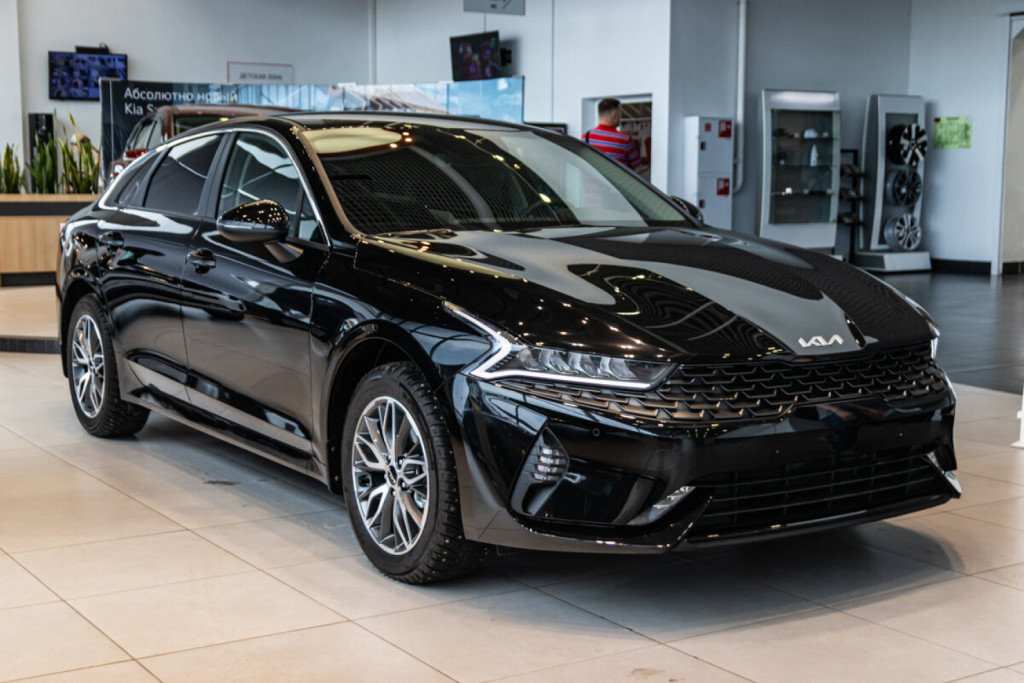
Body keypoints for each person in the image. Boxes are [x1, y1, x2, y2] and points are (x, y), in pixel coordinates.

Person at [581, 98, 645, 171]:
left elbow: (582, 164)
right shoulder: (625, 139)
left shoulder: (586, 137)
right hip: (615, 179)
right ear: (614, 116)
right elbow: (637, 168)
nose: (620, 117)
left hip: (590, 179)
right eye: (619, 114)